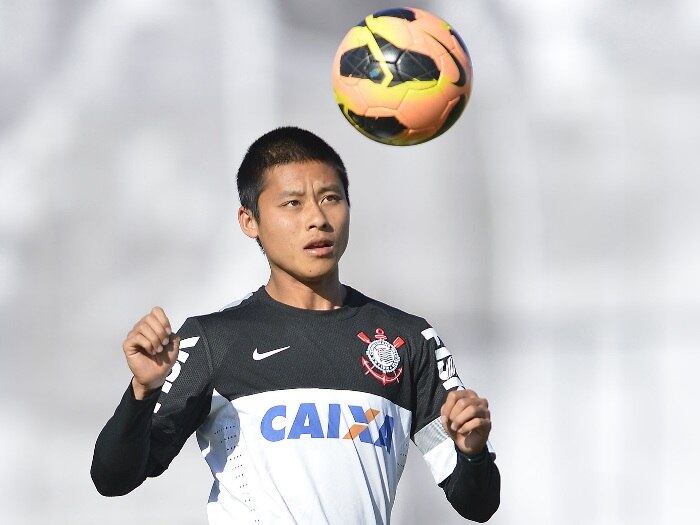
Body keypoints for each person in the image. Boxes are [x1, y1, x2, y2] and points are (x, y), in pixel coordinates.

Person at [90, 127, 500, 523]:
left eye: (330, 198)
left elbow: (478, 504)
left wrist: (473, 452)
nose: (317, 219)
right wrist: (141, 392)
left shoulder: (408, 339)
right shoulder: (213, 340)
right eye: (293, 203)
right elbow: (113, 478)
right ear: (249, 221)